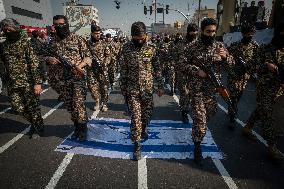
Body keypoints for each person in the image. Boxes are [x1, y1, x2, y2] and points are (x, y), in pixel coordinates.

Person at [183, 18, 234, 165]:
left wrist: (225, 58)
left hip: (212, 90)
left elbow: (232, 65)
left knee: (210, 113)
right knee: (200, 118)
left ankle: (199, 132)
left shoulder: (220, 46)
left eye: (213, 31)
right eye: (208, 31)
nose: (211, 34)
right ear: (202, 31)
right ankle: (197, 145)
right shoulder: (192, 47)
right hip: (197, 89)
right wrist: (196, 70)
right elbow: (180, 64)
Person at [119, 21, 164, 160]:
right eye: (136, 37)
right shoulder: (126, 48)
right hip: (132, 89)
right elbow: (123, 70)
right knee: (136, 117)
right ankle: (137, 144)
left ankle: (144, 128)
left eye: (142, 37)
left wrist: (160, 85)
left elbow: (157, 67)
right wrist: (124, 89)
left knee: (147, 114)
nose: (139, 40)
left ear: (146, 35)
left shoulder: (152, 47)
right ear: (132, 36)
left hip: (147, 89)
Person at [45, 15, 92, 141]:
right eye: (56, 24)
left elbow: (88, 57)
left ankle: (83, 129)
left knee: (78, 104)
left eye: (61, 24)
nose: (59, 27)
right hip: (61, 80)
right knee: (70, 106)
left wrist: (79, 66)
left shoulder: (77, 39)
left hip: (77, 78)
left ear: (66, 24)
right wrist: (49, 59)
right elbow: (45, 55)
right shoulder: (51, 41)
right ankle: (76, 126)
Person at [243, 22, 284, 161]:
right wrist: (266, 66)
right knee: (266, 114)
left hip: (279, 90)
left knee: (261, 109)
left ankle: (247, 127)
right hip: (264, 87)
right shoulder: (265, 49)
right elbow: (252, 66)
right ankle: (272, 146)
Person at [0, 18, 44, 138]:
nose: (7, 32)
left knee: (33, 107)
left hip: (28, 82)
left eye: (10, 29)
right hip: (12, 83)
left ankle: (37, 127)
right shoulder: (4, 46)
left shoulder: (26, 43)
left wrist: (37, 83)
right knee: (17, 107)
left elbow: (34, 63)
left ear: (16, 29)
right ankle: (35, 122)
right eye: (5, 30)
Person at [227, 24, 259, 129]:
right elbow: (228, 59)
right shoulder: (235, 45)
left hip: (245, 77)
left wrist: (252, 67)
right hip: (233, 75)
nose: (250, 36)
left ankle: (232, 109)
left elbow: (258, 60)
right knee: (233, 96)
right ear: (243, 34)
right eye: (248, 34)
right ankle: (232, 116)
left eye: (251, 34)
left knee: (239, 95)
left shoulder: (255, 46)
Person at [171, 23, 199, 123]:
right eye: (192, 33)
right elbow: (174, 58)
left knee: (193, 93)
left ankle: (189, 109)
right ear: (188, 32)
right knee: (184, 93)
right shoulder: (180, 44)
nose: (194, 36)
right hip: (182, 73)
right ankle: (184, 112)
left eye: (196, 34)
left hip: (196, 73)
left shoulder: (199, 44)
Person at [86, 25, 109, 112]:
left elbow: (108, 56)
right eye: (96, 34)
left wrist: (105, 63)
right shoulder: (86, 44)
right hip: (91, 70)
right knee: (92, 87)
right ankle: (97, 101)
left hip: (101, 69)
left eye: (99, 33)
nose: (98, 35)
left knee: (104, 88)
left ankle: (104, 103)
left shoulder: (103, 43)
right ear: (92, 33)